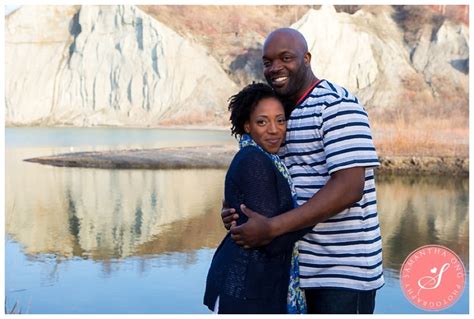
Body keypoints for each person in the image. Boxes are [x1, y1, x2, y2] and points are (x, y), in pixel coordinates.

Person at [222, 28, 384, 314]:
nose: (275, 68)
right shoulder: (279, 114)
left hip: (343, 272)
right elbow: (280, 181)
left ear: (307, 58)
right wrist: (241, 214)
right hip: (294, 272)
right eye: (268, 61)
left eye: (286, 58)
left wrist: (271, 228)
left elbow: (349, 188)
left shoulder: (337, 105)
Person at [203, 83, 311, 314]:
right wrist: (321, 210)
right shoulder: (254, 162)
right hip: (249, 289)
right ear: (247, 125)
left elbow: (266, 225)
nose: (274, 129)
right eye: (262, 122)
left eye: (280, 120)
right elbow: (270, 242)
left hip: (252, 284)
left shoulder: (265, 158)